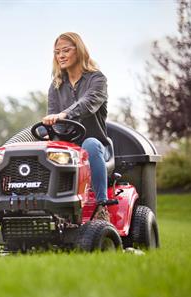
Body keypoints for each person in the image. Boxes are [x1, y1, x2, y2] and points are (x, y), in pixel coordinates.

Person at [42, 32, 111, 222]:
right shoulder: (56, 86)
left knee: (89, 144)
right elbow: (53, 118)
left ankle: (101, 207)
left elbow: (88, 103)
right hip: (67, 149)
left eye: (66, 50)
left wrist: (64, 114)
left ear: (78, 51)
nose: (61, 56)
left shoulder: (97, 80)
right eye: (57, 52)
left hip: (97, 148)